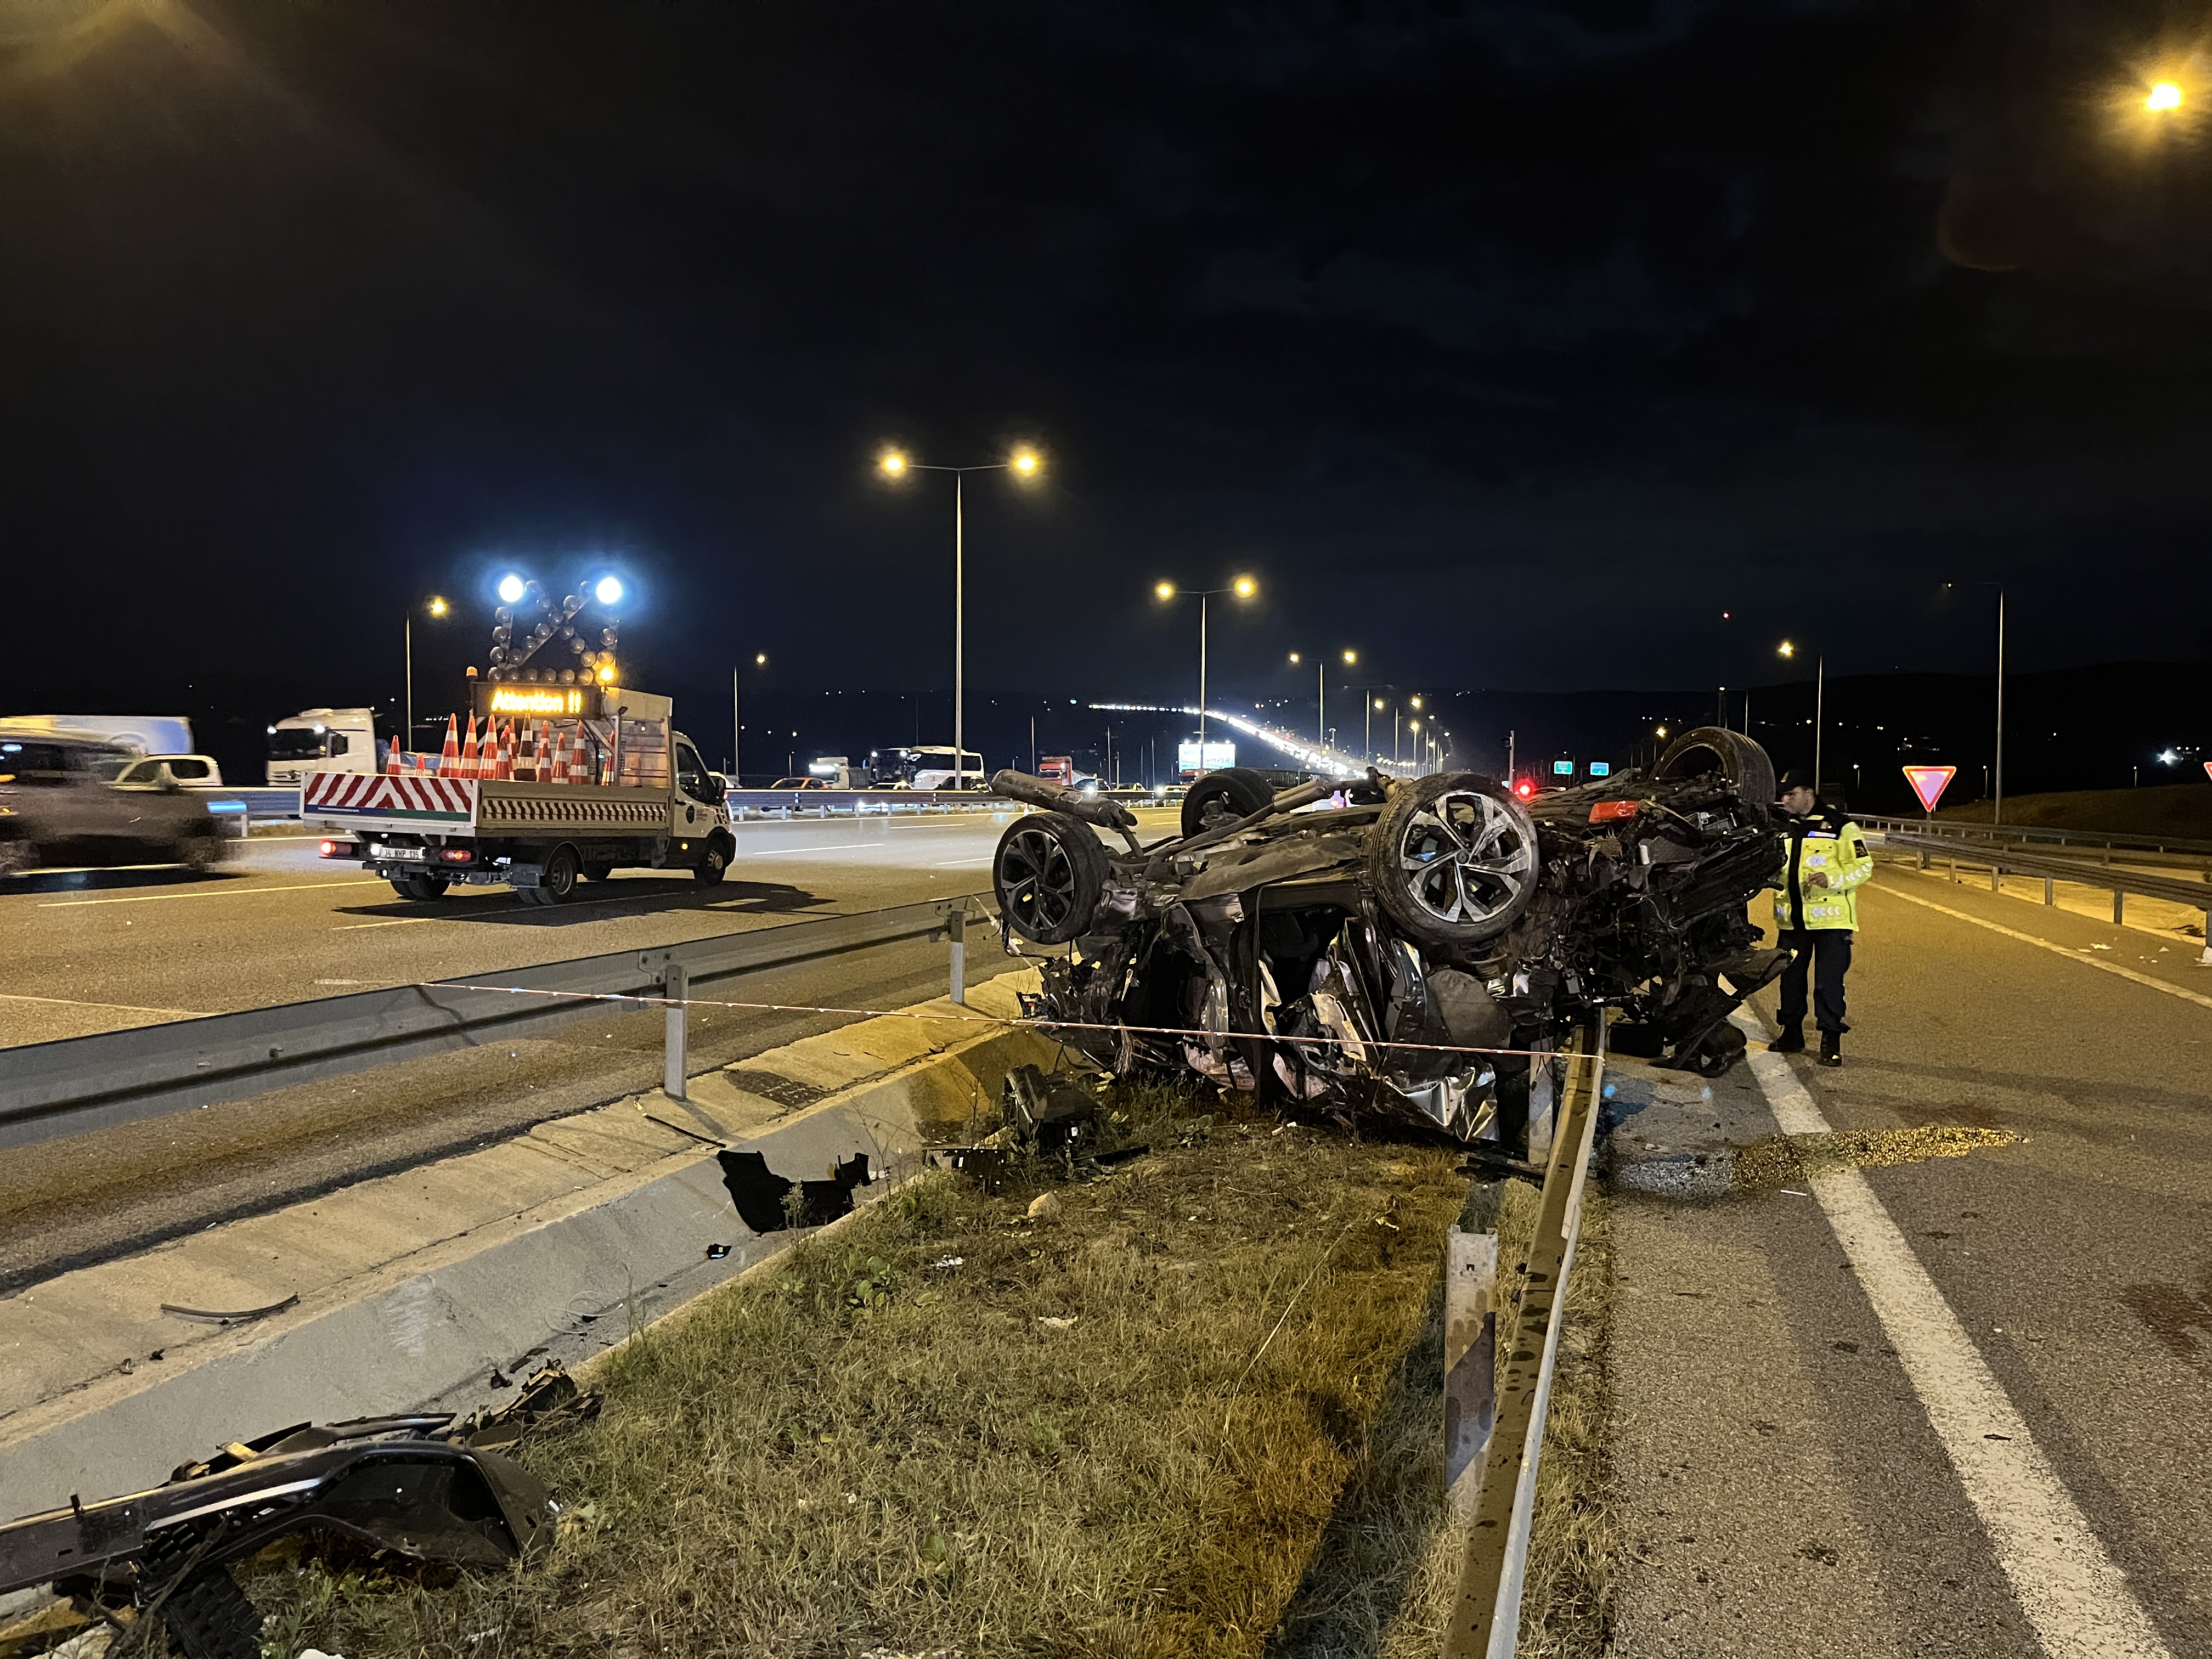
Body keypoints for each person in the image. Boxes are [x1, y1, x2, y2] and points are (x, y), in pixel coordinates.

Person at [1770, 769, 1872, 1066]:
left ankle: (1830, 1040)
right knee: (1790, 980)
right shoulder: (1781, 827)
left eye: (1791, 794)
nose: (1785, 799)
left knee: (1828, 984)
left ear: (1809, 794)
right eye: (1783, 795)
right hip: (1792, 920)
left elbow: (1864, 867)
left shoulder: (1842, 826)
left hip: (1831, 922)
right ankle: (1791, 1033)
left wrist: (1833, 878)